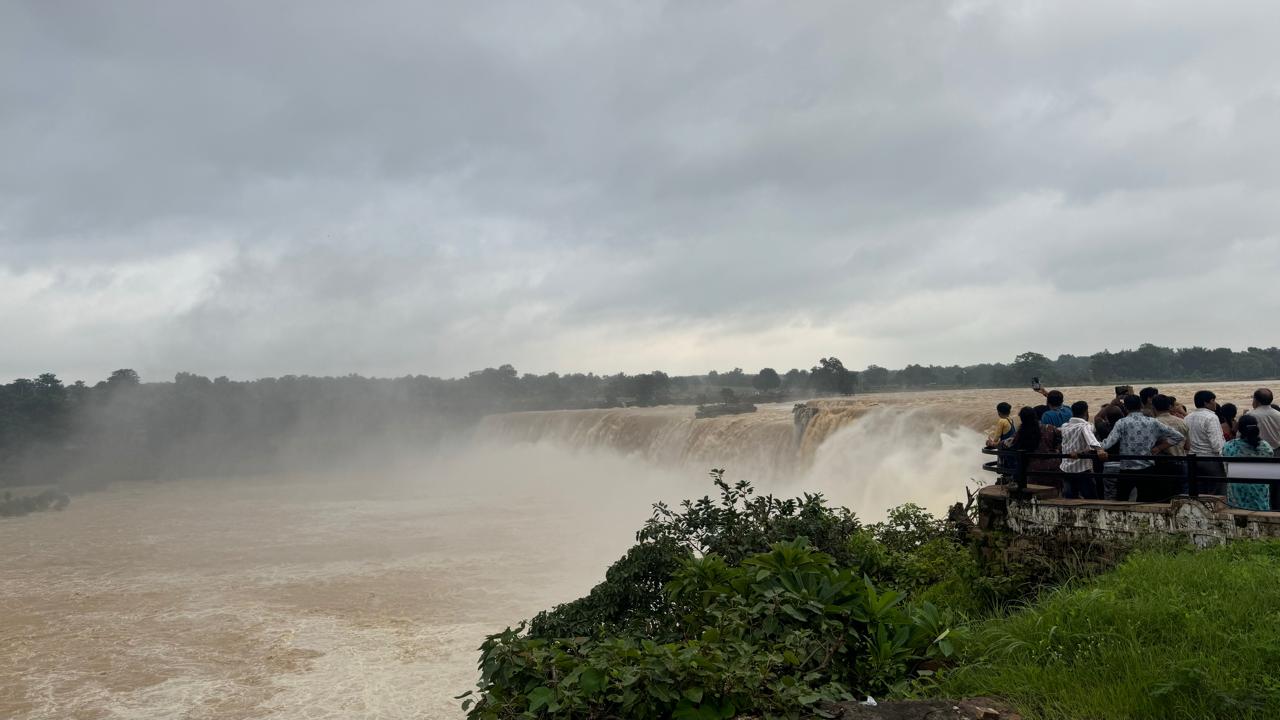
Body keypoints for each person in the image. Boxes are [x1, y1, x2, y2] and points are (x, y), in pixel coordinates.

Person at [1101, 394, 1185, 502]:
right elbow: (1178, 436)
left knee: (1121, 499)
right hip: (1147, 467)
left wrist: (1097, 448)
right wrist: (1159, 448)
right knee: (1146, 499)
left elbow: (1109, 442)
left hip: (1127, 468)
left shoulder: (1121, 423)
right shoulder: (1152, 422)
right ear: (1141, 405)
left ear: (1125, 408)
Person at [1223, 415, 1273, 512]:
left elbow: (1226, 463)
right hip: (1260, 490)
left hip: (1237, 491)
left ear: (1239, 429)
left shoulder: (1230, 446)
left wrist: (1233, 431)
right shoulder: (1265, 447)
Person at [1060, 400, 1105, 499]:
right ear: (1086, 412)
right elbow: (1091, 440)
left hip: (1066, 468)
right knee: (1091, 499)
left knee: (1070, 499)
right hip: (1082, 470)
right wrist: (1099, 449)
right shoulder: (1085, 426)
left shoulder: (1065, 426)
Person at [1185, 390, 1227, 495]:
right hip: (1210, 459)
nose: (1215, 403)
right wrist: (1225, 461)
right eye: (1213, 400)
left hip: (1192, 460)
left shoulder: (1187, 417)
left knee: (1199, 491)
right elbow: (1217, 444)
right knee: (1217, 491)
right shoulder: (1211, 417)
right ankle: (1214, 511)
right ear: (1206, 403)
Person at [1245, 389, 1280, 510]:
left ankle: (1261, 508)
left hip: (1256, 453)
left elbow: (1241, 436)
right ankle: (1276, 509)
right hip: (1276, 453)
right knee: (1276, 485)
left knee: (1259, 484)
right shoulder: (1278, 414)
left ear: (1256, 400)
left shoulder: (1250, 416)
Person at [1152, 395, 1189, 492]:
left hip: (1162, 463)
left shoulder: (1153, 423)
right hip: (1182, 462)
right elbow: (1188, 446)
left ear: (1153, 407)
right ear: (1169, 407)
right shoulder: (1182, 422)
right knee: (1183, 493)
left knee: (1164, 493)